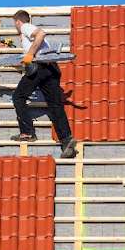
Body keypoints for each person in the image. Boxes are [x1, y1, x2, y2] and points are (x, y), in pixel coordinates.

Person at [10, 10, 77, 158]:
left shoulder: (25, 27)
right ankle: (67, 141)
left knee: (18, 97)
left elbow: (41, 34)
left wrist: (30, 55)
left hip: (39, 66)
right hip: (51, 68)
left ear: (17, 22)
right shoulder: (32, 41)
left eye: (15, 24)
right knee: (55, 105)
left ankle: (27, 132)